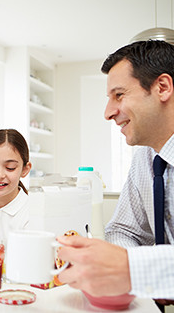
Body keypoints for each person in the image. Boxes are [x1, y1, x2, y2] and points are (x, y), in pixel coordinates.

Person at [57, 40, 174, 304]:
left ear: (162, 88)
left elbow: (131, 264)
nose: (108, 113)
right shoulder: (145, 159)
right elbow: (124, 230)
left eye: (119, 95)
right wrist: (122, 271)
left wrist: (133, 269)